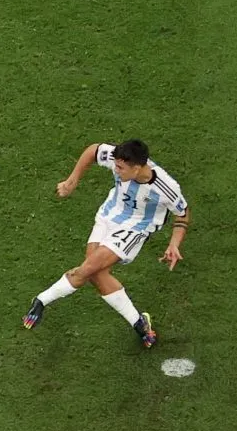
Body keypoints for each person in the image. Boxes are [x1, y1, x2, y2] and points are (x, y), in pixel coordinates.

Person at [23, 138, 188, 348]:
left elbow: (183, 214)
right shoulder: (119, 159)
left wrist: (174, 244)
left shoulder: (166, 187)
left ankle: (41, 301)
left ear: (137, 168)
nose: (115, 170)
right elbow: (93, 150)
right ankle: (139, 323)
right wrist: (72, 180)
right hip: (107, 216)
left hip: (135, 228)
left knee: (88, 268)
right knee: (96, 273)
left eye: (120, 168)